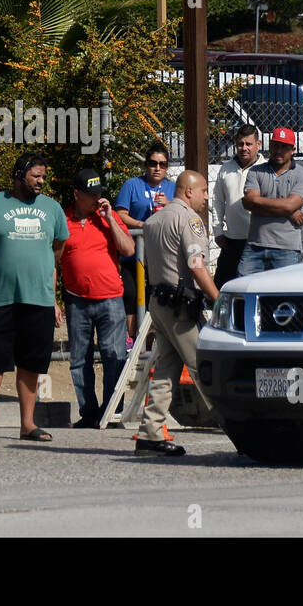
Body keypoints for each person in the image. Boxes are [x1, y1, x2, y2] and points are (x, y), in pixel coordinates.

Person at [0, 152, 68, 444]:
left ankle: (28, 424)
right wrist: (1, 272)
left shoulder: (52, 208)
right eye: (36, 176)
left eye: (43, 176)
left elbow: (56, 252)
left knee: (31, 364)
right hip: (1, 299)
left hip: (39, 300)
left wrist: (51, 292)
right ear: (20, 175)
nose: (41, 182)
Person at [135, 170, 218, 457]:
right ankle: (240, 427)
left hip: (158, 301)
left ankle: (150, 433)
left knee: (166, 368)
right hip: (181, 306)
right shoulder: (189, 219)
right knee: (205, 366)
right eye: (204, 190)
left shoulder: (154, 220)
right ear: (189, 191)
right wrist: (218, 299)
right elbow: (197, 265)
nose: (207, 197)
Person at [61, 168, 133, 429]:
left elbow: (128, 248)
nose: (96, 199)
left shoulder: (108, 216)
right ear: (76, 194)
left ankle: (112, 413)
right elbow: (53, 259)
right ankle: (88, 413)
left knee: (114, 356)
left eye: (99, 194)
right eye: (91, 195)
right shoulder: (63, 219)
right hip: (76, 299)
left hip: (111, 299)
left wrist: (110, 220)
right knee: (80, 359)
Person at [114, 143, 176, 340]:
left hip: (160, 254)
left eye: (162, 164)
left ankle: (152, 342)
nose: (157, 168)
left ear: (167, 167)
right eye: (152, 163)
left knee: (155, 297)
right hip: (134, 253)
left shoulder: (172, 188)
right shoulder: (132, 185)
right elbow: (120, 214)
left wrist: (170, 205)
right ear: (145, 165)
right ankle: (131, 340)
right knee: (131, 295)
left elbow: (183, 214)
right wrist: (141, 225)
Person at [238, 127, 303, 275]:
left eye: (284, 147)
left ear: (293, 150)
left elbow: (289, 205)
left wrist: (258, 201)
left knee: (283, 294)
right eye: (276, 145)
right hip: (255, 246)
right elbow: (248, 203)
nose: (279, 150)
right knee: (244, 290)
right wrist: (288, 212)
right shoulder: (256, 171)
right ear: (270, 146)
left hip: (287, 249)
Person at [211, 125, 262, 286]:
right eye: (240, 144)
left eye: (248, 144)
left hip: (258, 241)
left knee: (252, 287)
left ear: (258, 145)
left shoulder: (266, 169)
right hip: (231, 241)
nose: (244, 148)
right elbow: (217, 201)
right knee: (221, 288)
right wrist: (218, 231)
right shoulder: (225, 169)